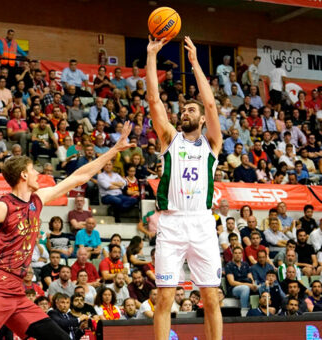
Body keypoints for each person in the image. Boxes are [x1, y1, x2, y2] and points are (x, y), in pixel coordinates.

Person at [0, 122, 134, 340]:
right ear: (23, 175)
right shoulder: (2, 207)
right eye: (33, 170)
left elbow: (78, 177)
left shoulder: (37, 199)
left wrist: (113, 150)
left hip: (18, 289)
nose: (37, 174)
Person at [147, 36, 222, 340]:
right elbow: (154, 101)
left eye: (192, 110)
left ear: (202, 119)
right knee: (164, 299)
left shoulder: (212, 143)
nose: (186, 112)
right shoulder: (169, 138)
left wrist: (194, 64)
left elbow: (211, 102)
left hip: (202, 223)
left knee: (212, 297)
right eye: (184, 110)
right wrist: (152, 55)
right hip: (173, 222)